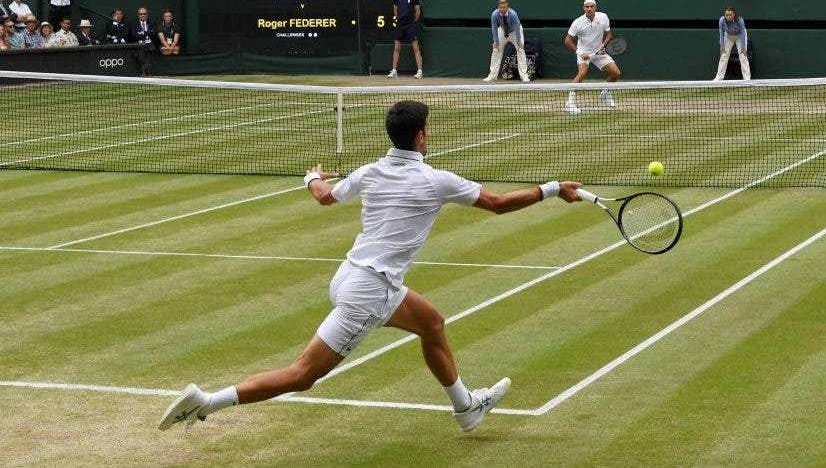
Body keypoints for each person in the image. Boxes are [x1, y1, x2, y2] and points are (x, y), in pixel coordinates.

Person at [158, 101, 583, 434]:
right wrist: (552, 189)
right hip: (369, 291)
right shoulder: (437, 180)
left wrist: (310, 177)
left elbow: (325, 196)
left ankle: (465, 408)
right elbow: (498, 204)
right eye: (427, 129)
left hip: (351, 276)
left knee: (432, 323)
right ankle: (207, 402)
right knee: (302, 375)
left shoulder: (370, 171)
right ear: (420, 136)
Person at [564, 0, 618, 115]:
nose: (589, 9)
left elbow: (609, 34)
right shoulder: (578, 22)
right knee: (582, 73)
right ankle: (570, 103)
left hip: (598, 52)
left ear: (595, 7)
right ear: (584, 8)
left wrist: (603, 46)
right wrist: (580, 53)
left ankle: (605, 92)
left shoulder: (603, 17)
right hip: (583, 51)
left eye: (591, 6)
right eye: (587, 7)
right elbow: (567, 40)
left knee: (615, 73)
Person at [485, 0, 529, 82]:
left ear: (507, 7)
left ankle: (524, 75)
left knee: (520, 50)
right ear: (498, 7)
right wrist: (496, 42)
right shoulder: (494, 14)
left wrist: (519, 42)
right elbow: (494, 28)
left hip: (515, 32)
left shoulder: (513, 14)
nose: (502, 9)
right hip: (502, 31)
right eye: (500, 7)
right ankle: (492, 75)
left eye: (504, 7)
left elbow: (517, 28)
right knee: (495, 50)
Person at [388, 0, 423, 78]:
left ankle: (420, 71)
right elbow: (395, 10)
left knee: (416, 48)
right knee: (396, 48)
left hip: (410, 25)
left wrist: (412, 21)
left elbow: (418, 11)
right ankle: (394, 70)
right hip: (400, 24)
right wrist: (399, 18)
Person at [714, 6, 751, 81]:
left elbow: (743, 34)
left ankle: (747, 78)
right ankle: (719, 77)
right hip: (728, 36)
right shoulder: (722, 20)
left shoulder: (740, 20)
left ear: (734, 14)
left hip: (739, 37)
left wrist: (743, 49)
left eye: (730, 15)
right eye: (726, 15)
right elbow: (721, 34)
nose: (728, 16)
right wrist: (722, 47)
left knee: (743, 56)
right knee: (723, 55)